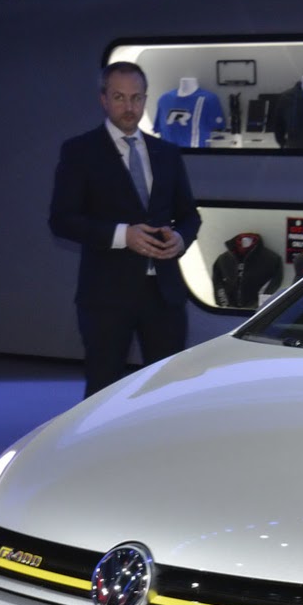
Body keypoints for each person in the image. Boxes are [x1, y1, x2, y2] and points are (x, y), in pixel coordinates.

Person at [49, 61, 201, 398]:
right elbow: (61, 219)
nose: (129, 107)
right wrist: (123, 235)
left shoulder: (166, 153)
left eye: (136, 98)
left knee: (167, 391)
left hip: (164, 295)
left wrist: (180, 239)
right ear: (103, 99)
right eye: (119, 97)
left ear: (146, 99)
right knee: (103, 391)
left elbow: (190, 216)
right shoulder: (79, 151)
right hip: (106, 296)